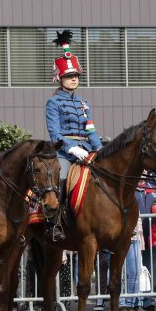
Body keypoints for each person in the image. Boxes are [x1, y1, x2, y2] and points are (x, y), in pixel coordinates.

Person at [45, 30, 103, 242]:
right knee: (59, 178)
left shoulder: (84, 103)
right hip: (64, 150)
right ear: (60, 78)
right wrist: (71, 148)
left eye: (76, 76)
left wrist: (99, 149)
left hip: (87, 149)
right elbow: (55, 133)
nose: (73, 80)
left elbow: (91, 130)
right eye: (69, 76)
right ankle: (54, 223)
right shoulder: (53, 102)